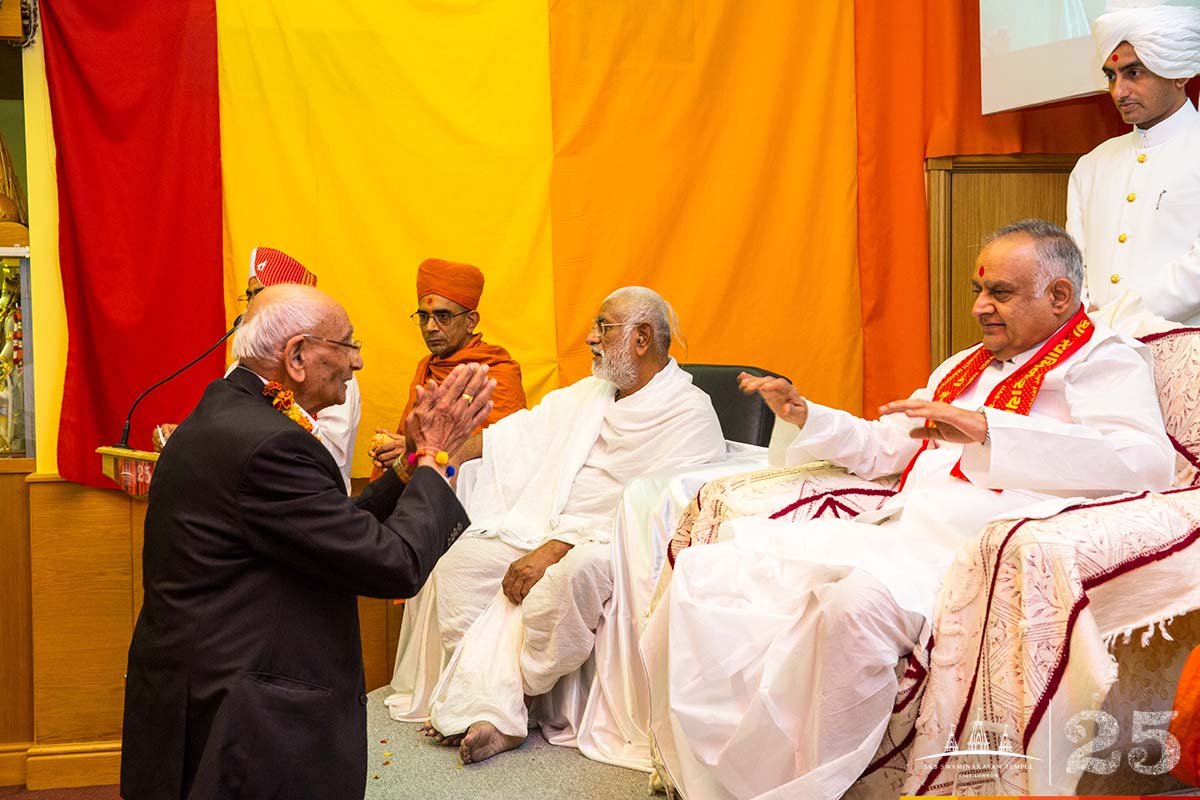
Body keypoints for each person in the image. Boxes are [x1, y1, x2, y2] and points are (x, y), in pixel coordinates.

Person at [644, 219, 1175, 800]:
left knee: (853, 606)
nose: (979, 307)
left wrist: (991, 429)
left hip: (979, 548)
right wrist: (807, 416)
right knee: (713, 567)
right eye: (980, 290)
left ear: (1059, 297)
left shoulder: (1101, 360)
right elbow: (886, 446)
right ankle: (726, 780)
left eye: (999, 292)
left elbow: (1143, 463)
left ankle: (813, 789)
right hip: (904, 530)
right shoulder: (961, 367)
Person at [120, 284, 496, 799]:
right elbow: (394, 563)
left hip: (202, 685)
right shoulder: (271, 444)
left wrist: (409, 468)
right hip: (244, 715)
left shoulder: (229, 413)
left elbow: (326, 531)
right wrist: (435, 459)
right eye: (348, 345)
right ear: (297, 355)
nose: (358, 362)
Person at [385, 286, 726, 765]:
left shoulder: (689, 413)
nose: (589, 338)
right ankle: (495, 702)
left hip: (615, 542)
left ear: (642, 338)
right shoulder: (592, 395)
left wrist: (555, 549)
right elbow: (520, 434)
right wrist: (448, 451)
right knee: (460, 566)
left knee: (565, 581)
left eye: (602, 328)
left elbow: (659, 511)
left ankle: (510, 704)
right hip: (547, 522)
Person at [154, 246, 363, 490]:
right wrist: (190, 437)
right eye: (250, 295)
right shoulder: (240, 371)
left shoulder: (334, 373)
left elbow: (332, 455)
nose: (250, 308)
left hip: (318, 496)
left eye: (261, 295)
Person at [1066, 1, 1200, 335]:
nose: (1118, 92)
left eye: (1133, 73)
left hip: (1186, 352)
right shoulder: (1092, 166)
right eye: (1111, 76)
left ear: (1179, 73)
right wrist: (1089, 329)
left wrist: (1113, 322)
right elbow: (1073, 265)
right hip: (1096, 352)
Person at [369, 257, 526, 478]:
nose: (430, 327)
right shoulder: (426, 367)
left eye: (443, 316)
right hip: (426, 485)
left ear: (471, 321)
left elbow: (508, 440)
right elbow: (413, 438)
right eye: (424, 317)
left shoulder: (496, 370)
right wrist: (394, 454)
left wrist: (418, 450)